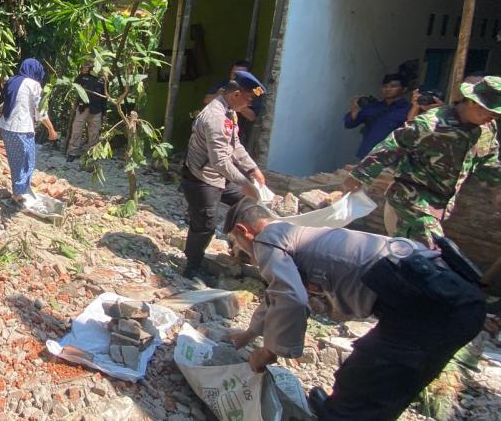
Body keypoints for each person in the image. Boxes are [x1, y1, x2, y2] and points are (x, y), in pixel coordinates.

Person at [223, 197, 485, 421]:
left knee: (367, 386)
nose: (246, 253)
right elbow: (277, 294)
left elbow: (291, 298)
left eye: (240, 246)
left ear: (243, 230)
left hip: (432, 306)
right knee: (373, 382)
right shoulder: (296, 233)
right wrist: (248, 334)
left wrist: (269, 351)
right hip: (445, 298)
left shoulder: (267, 240)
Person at [344, 76, 501, 248]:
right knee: (428, 256)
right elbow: (391, 146)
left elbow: (488, 160)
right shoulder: (431, 124)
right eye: (491, 112)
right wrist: (359, 176)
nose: (493, 118)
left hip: (440, 205)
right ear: (474, 103)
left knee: (409, 259)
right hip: (413, 200)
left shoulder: (486, 128)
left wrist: (497, 186)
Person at [182, 70, 267, 284]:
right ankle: (192, 267)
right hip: (202, 178)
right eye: (248, 99)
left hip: (219, 176)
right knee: (205, 224)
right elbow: (220, 161)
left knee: (245, 203)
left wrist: (252, 168)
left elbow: (234, 145)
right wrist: (244, 182)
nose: (249, 104)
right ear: (236, 94)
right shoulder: (215, 117)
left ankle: (240, 245)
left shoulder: (229, 111)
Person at [0, 58, 58, 211]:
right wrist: (51, 129)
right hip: (21, 128)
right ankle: (18, 196)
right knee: (27, 162)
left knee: (15, 161)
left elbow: (8, 101)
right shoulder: (34, 84)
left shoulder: (13, 80)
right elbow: (41, 111)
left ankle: (18, 191)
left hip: (6, 127)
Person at [343, 73, 410, 159]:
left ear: (404, 89)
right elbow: (349, 124)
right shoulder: (373, 107)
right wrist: (355, 109)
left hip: (393, 157)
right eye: (385, 86)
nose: (388, 89)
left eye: (393, 86)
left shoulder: (409, 110)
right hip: (368, 154)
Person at [204, 60, 262, 144]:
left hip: (239, 133)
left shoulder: (254, 92)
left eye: (239, 75)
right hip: (217, 128)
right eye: (233, 73)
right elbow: (206, 100)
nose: (234, 77)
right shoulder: (224, 84)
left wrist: (239, 102)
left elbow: (252, 116)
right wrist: (218, 95)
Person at [66, 61, 106, 162]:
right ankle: (72, 152)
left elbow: (105, 98)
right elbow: (74, 84)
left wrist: (104, 114)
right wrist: (82, 72)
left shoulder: (102, 79)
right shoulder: (83, 76)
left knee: (94, 133)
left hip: (96, 110)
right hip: (82, 108)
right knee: (77, 130)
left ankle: (91, 154)